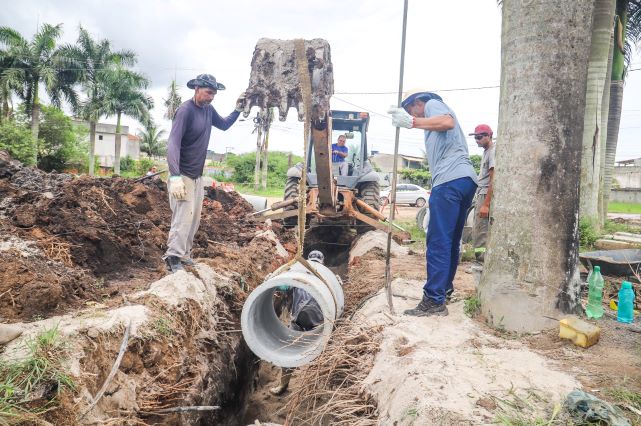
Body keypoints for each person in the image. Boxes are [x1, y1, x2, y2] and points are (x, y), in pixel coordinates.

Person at [388, 92, 477, 317]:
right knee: (451, 241)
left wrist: (412, 122)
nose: (411, 115)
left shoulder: (432, 105)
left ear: (418, 103)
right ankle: (443, 290)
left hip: (449, 181)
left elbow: (447, 122)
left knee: (438, 241)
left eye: (410, 110)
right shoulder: (430, 123)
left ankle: (434, 300)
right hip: (464, 180)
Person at [163, 74, 246, 273]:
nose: (211, 97)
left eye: (214, 94)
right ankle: (172, 257)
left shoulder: (208, 110)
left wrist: (237, 109)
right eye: (208, 93)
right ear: (197, 89)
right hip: (182, 175)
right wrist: (174, 176)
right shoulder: (185, 110)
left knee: (194, 218)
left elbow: (224, 125)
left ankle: (184, 255)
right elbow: (173, 144)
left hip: (197, 176)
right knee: (182, 217)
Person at [269, 250, 326, 396]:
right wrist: (274, 280)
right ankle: (283, 385)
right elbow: (283, 286)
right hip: (300, 324)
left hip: (319, 328)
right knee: (289, 354)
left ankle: (315, 389)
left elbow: (282, 287)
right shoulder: (298, 278)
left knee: (319, 359)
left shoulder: (326, 279)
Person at [469, 124, 495, 263]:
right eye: (475, 138)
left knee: (481, 230)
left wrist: (486, 204)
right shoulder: (486, 151)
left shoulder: (492, 151)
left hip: (485, 194)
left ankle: (481, 262)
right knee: (477, 229)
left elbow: (493, 179)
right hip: (481, 193)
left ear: (488, 136)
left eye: (479, 137)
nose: (477, 140)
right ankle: (480, 259)